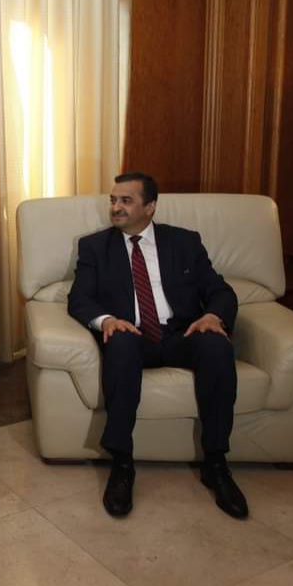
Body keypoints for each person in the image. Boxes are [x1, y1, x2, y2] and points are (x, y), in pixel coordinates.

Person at [67, 172, 248, 520]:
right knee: (119, 344)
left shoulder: (185, 242)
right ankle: (122, 464)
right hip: (131, 335)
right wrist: (106, 320)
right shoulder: (94, 247)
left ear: (150, 207)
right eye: (113, 200)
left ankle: (215, 463)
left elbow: (220, 291)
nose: (116, 207)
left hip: (181, 334)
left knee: (217, 346)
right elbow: (80, 299)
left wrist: (213, 316)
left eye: (126, 201)